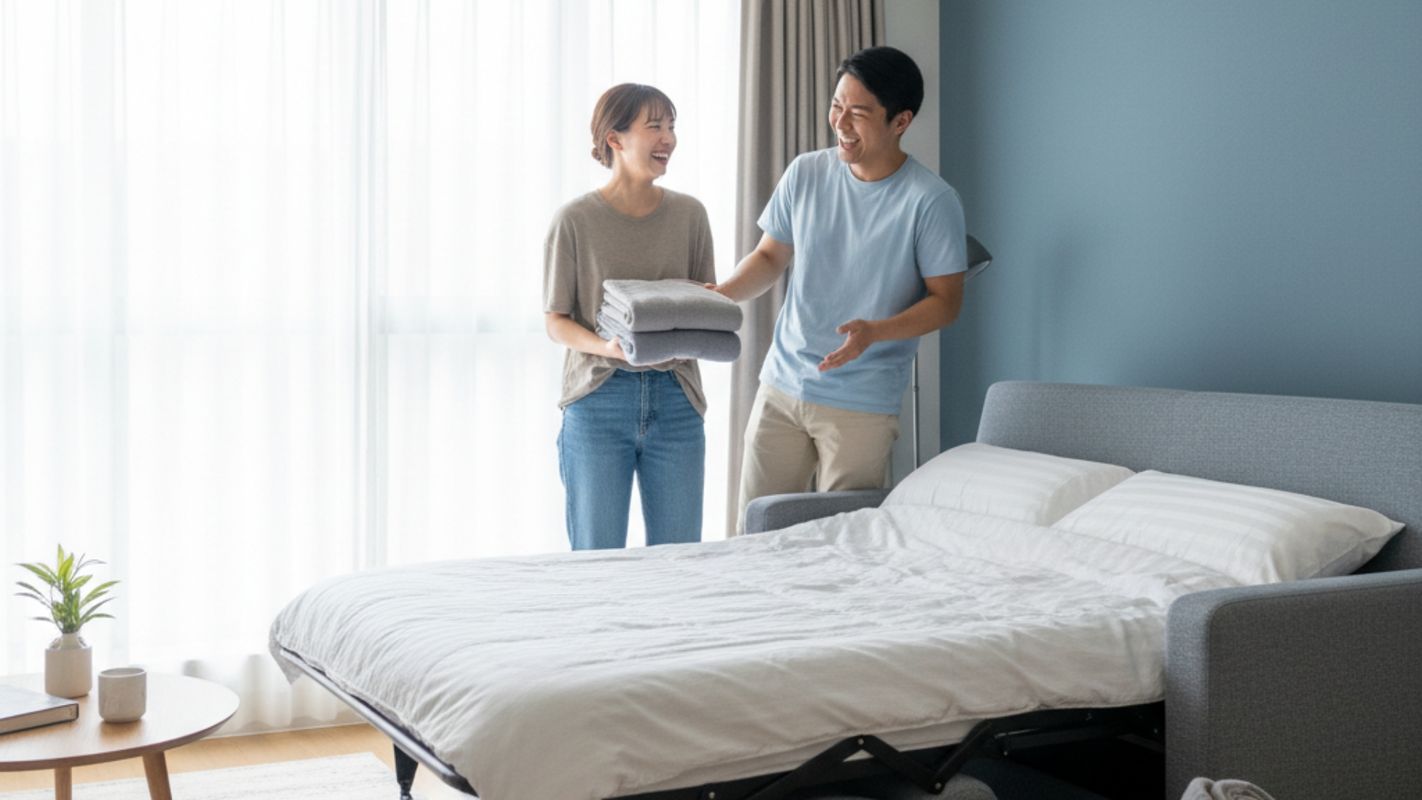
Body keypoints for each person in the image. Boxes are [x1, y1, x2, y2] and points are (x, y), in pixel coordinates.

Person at [714, 46, 967, 532]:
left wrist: (875, 331)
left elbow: (946, 302)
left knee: (842, 543)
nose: (841, 122)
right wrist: (723, 293)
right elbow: (770, 256)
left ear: (901, 121)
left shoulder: (931, 201)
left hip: (862, 402)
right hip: (782, 384)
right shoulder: (806, 172)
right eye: (836, 105)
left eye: (858, 112)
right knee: (752, 534)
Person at [543, 83, 714, 551]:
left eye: (672, 126)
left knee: (678, 561)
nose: (669, 139)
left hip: (676, 399)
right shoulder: (574, 220)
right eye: (655, 126)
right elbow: (556, 319)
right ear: (614, 139)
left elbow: (705, 306)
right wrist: (607, 347)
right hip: (598, 398)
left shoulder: (690, 215)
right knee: (597, 561)